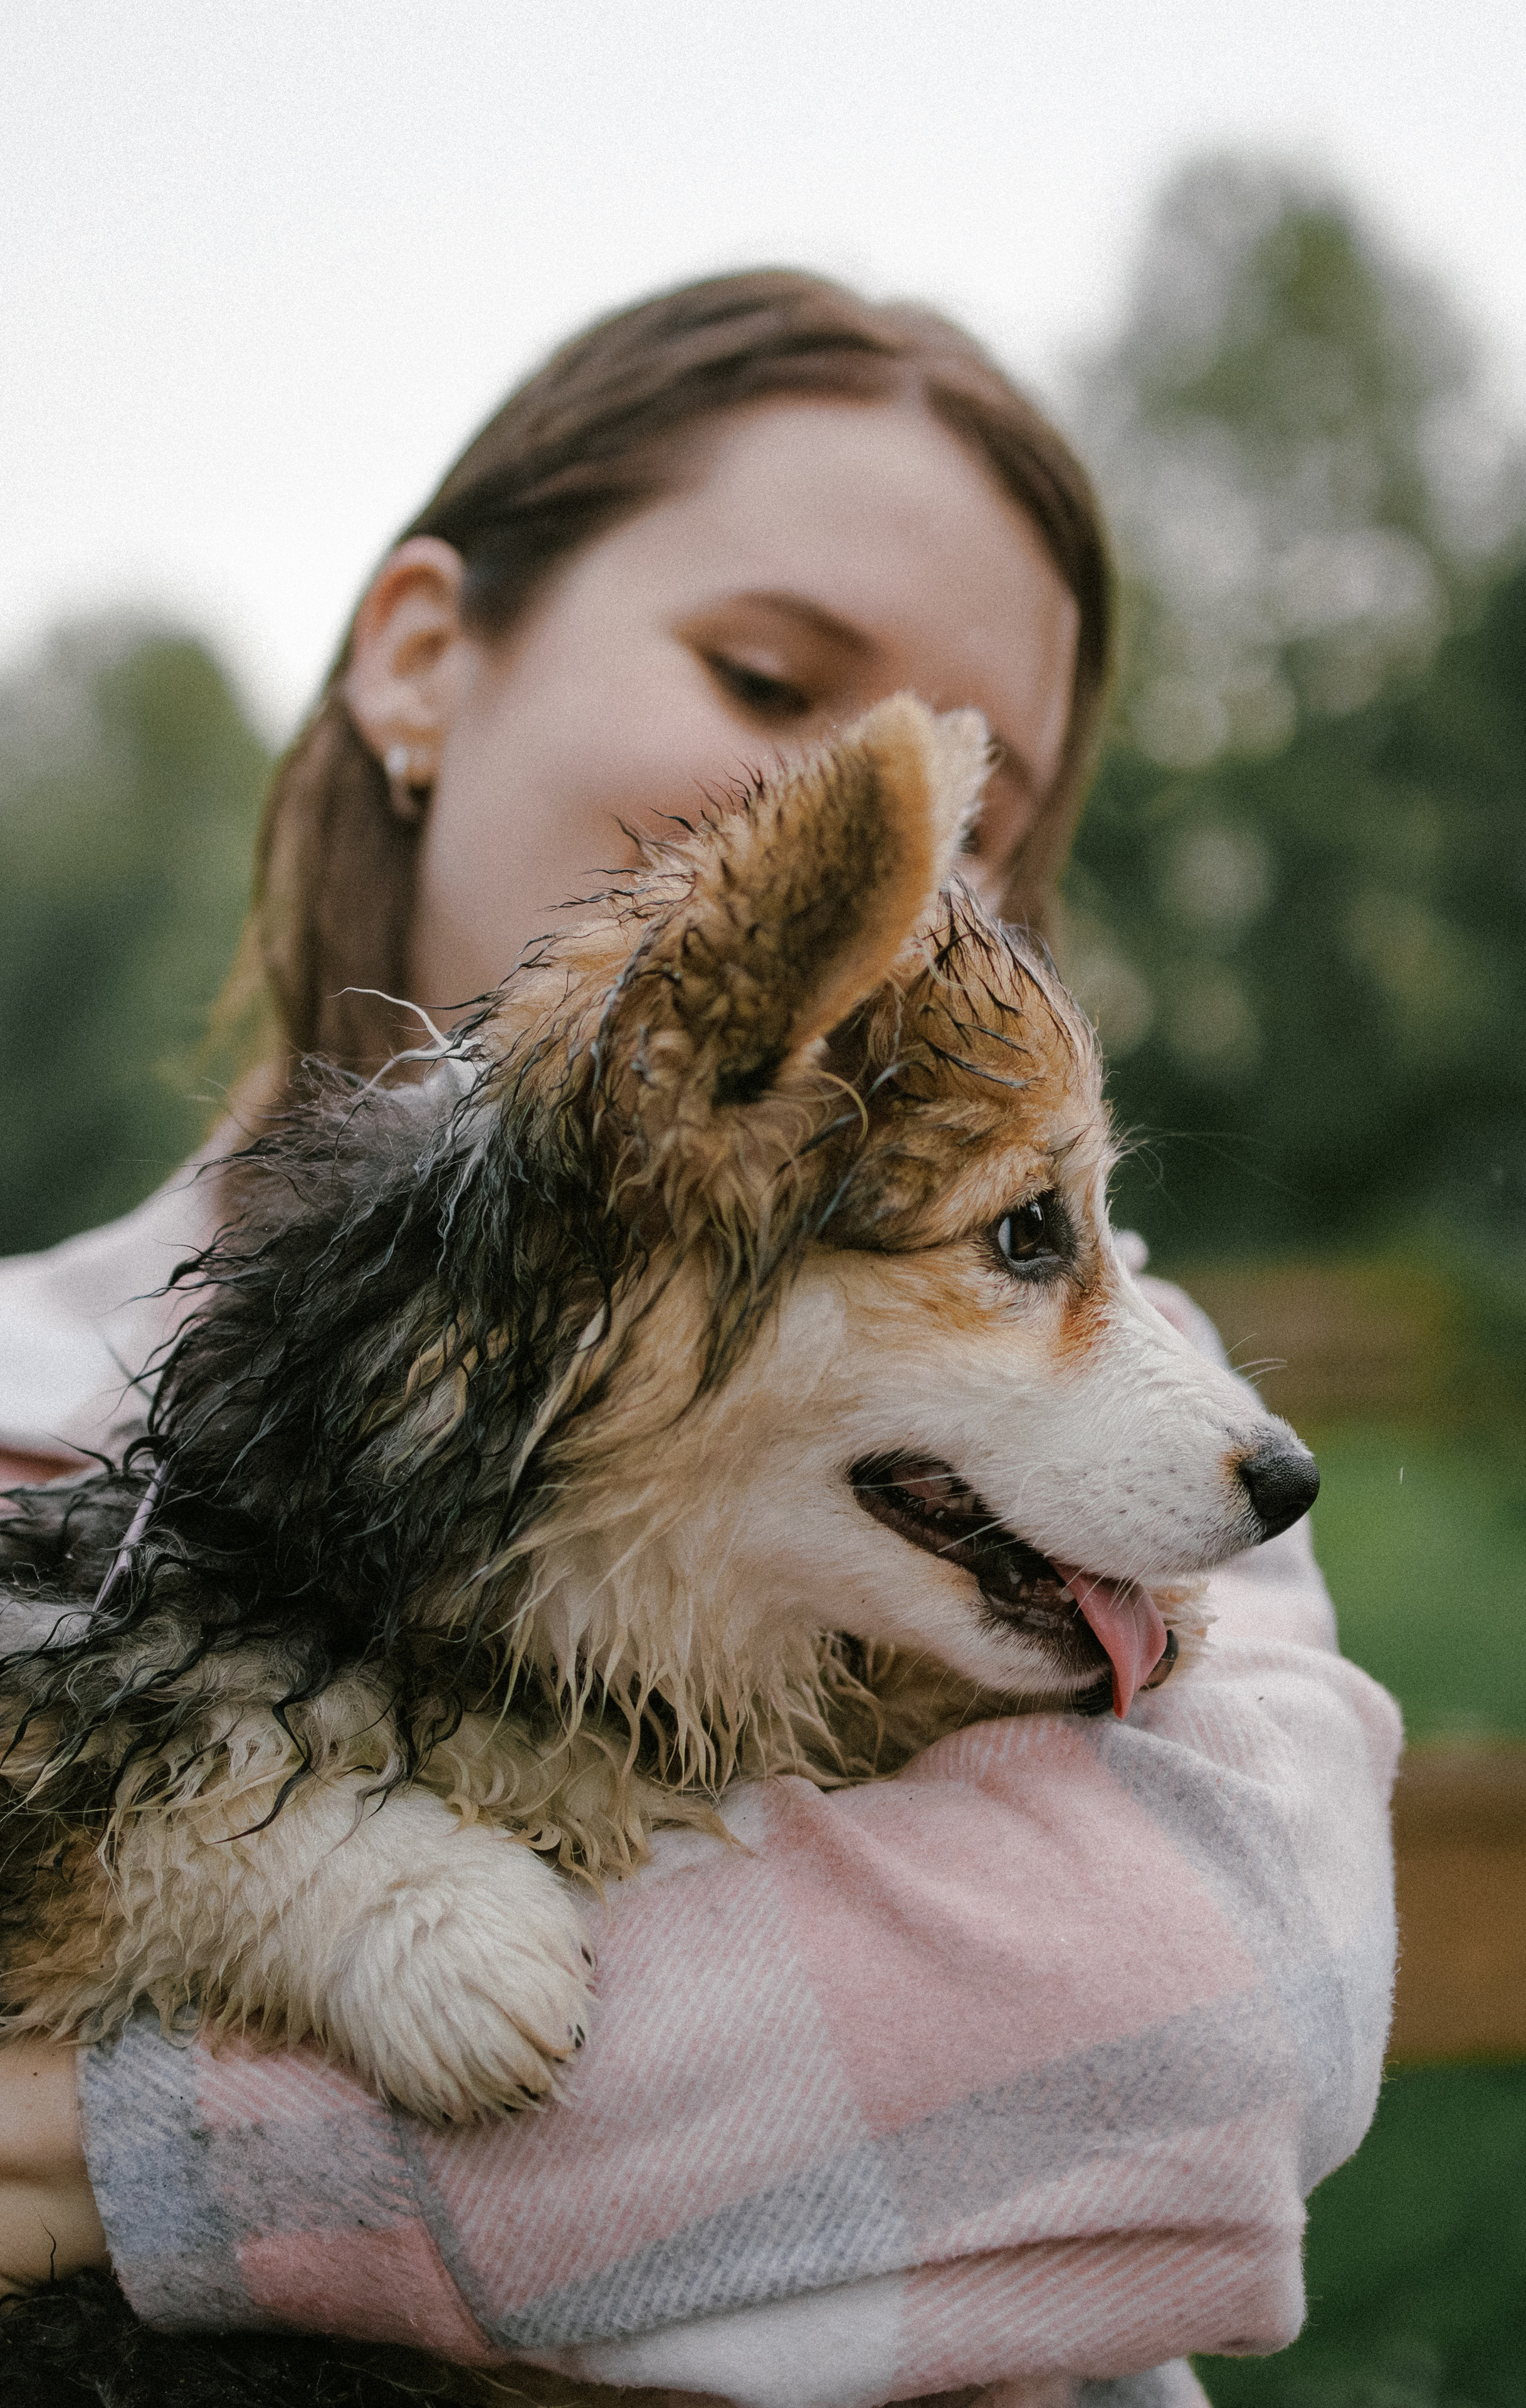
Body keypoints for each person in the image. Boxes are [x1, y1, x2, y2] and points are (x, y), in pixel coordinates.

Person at [0, 272, 1399, 2408]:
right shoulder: (31, 1400)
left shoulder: (1067, 1440)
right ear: (417, 664)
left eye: (979, 821)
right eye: (768, 678)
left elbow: (1209, 2021)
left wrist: (156, 2154)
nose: (867, 877)